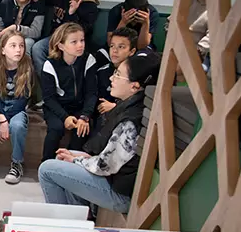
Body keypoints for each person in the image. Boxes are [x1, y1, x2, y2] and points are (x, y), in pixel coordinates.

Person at [38, 53, 161, 214]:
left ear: (135, 86)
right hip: (112, 177)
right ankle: (75, 219)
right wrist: (78, 158)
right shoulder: (131, 106)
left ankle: (63, 226)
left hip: (119, 194)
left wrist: (78, 160)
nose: (111, 78)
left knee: (47, 169)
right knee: (64, 158)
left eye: (118, 75)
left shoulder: (131, 121)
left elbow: (104, 166)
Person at [0, 30, 33, 184]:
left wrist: (8, 122)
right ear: (3, 50)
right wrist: (3, 121)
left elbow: (23, 100)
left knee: (17, 126)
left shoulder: (28, 68)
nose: (18, 50)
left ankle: (17, 163)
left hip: (17, 107)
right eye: (13, 46)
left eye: (21, 46)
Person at [41, 23, 98, 162]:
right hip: (57, 107)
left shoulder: (88, 60)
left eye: (82, 40)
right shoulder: (50, 65)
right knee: (55, 128)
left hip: (80, 107)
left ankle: (70, 164)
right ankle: (46, 163)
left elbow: (92, 93)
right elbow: (48, 98)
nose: (80, 45)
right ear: (61, 46)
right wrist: (65, 117)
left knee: (82, 129)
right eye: (74, 42)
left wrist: (85, 116)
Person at [31, 0, 99, 76]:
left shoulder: (90, 6)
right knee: (38, 48)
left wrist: (72, 13)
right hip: (55, 38)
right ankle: (47, 81)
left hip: (76, 41)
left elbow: (83, 30)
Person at [95, 27, 138, 115]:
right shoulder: (101, 72)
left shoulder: (137, 73)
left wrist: (116, 106)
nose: (114, 50)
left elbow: (139, 104)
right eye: (112, 46)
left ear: (132, 51)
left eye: (121, 47)